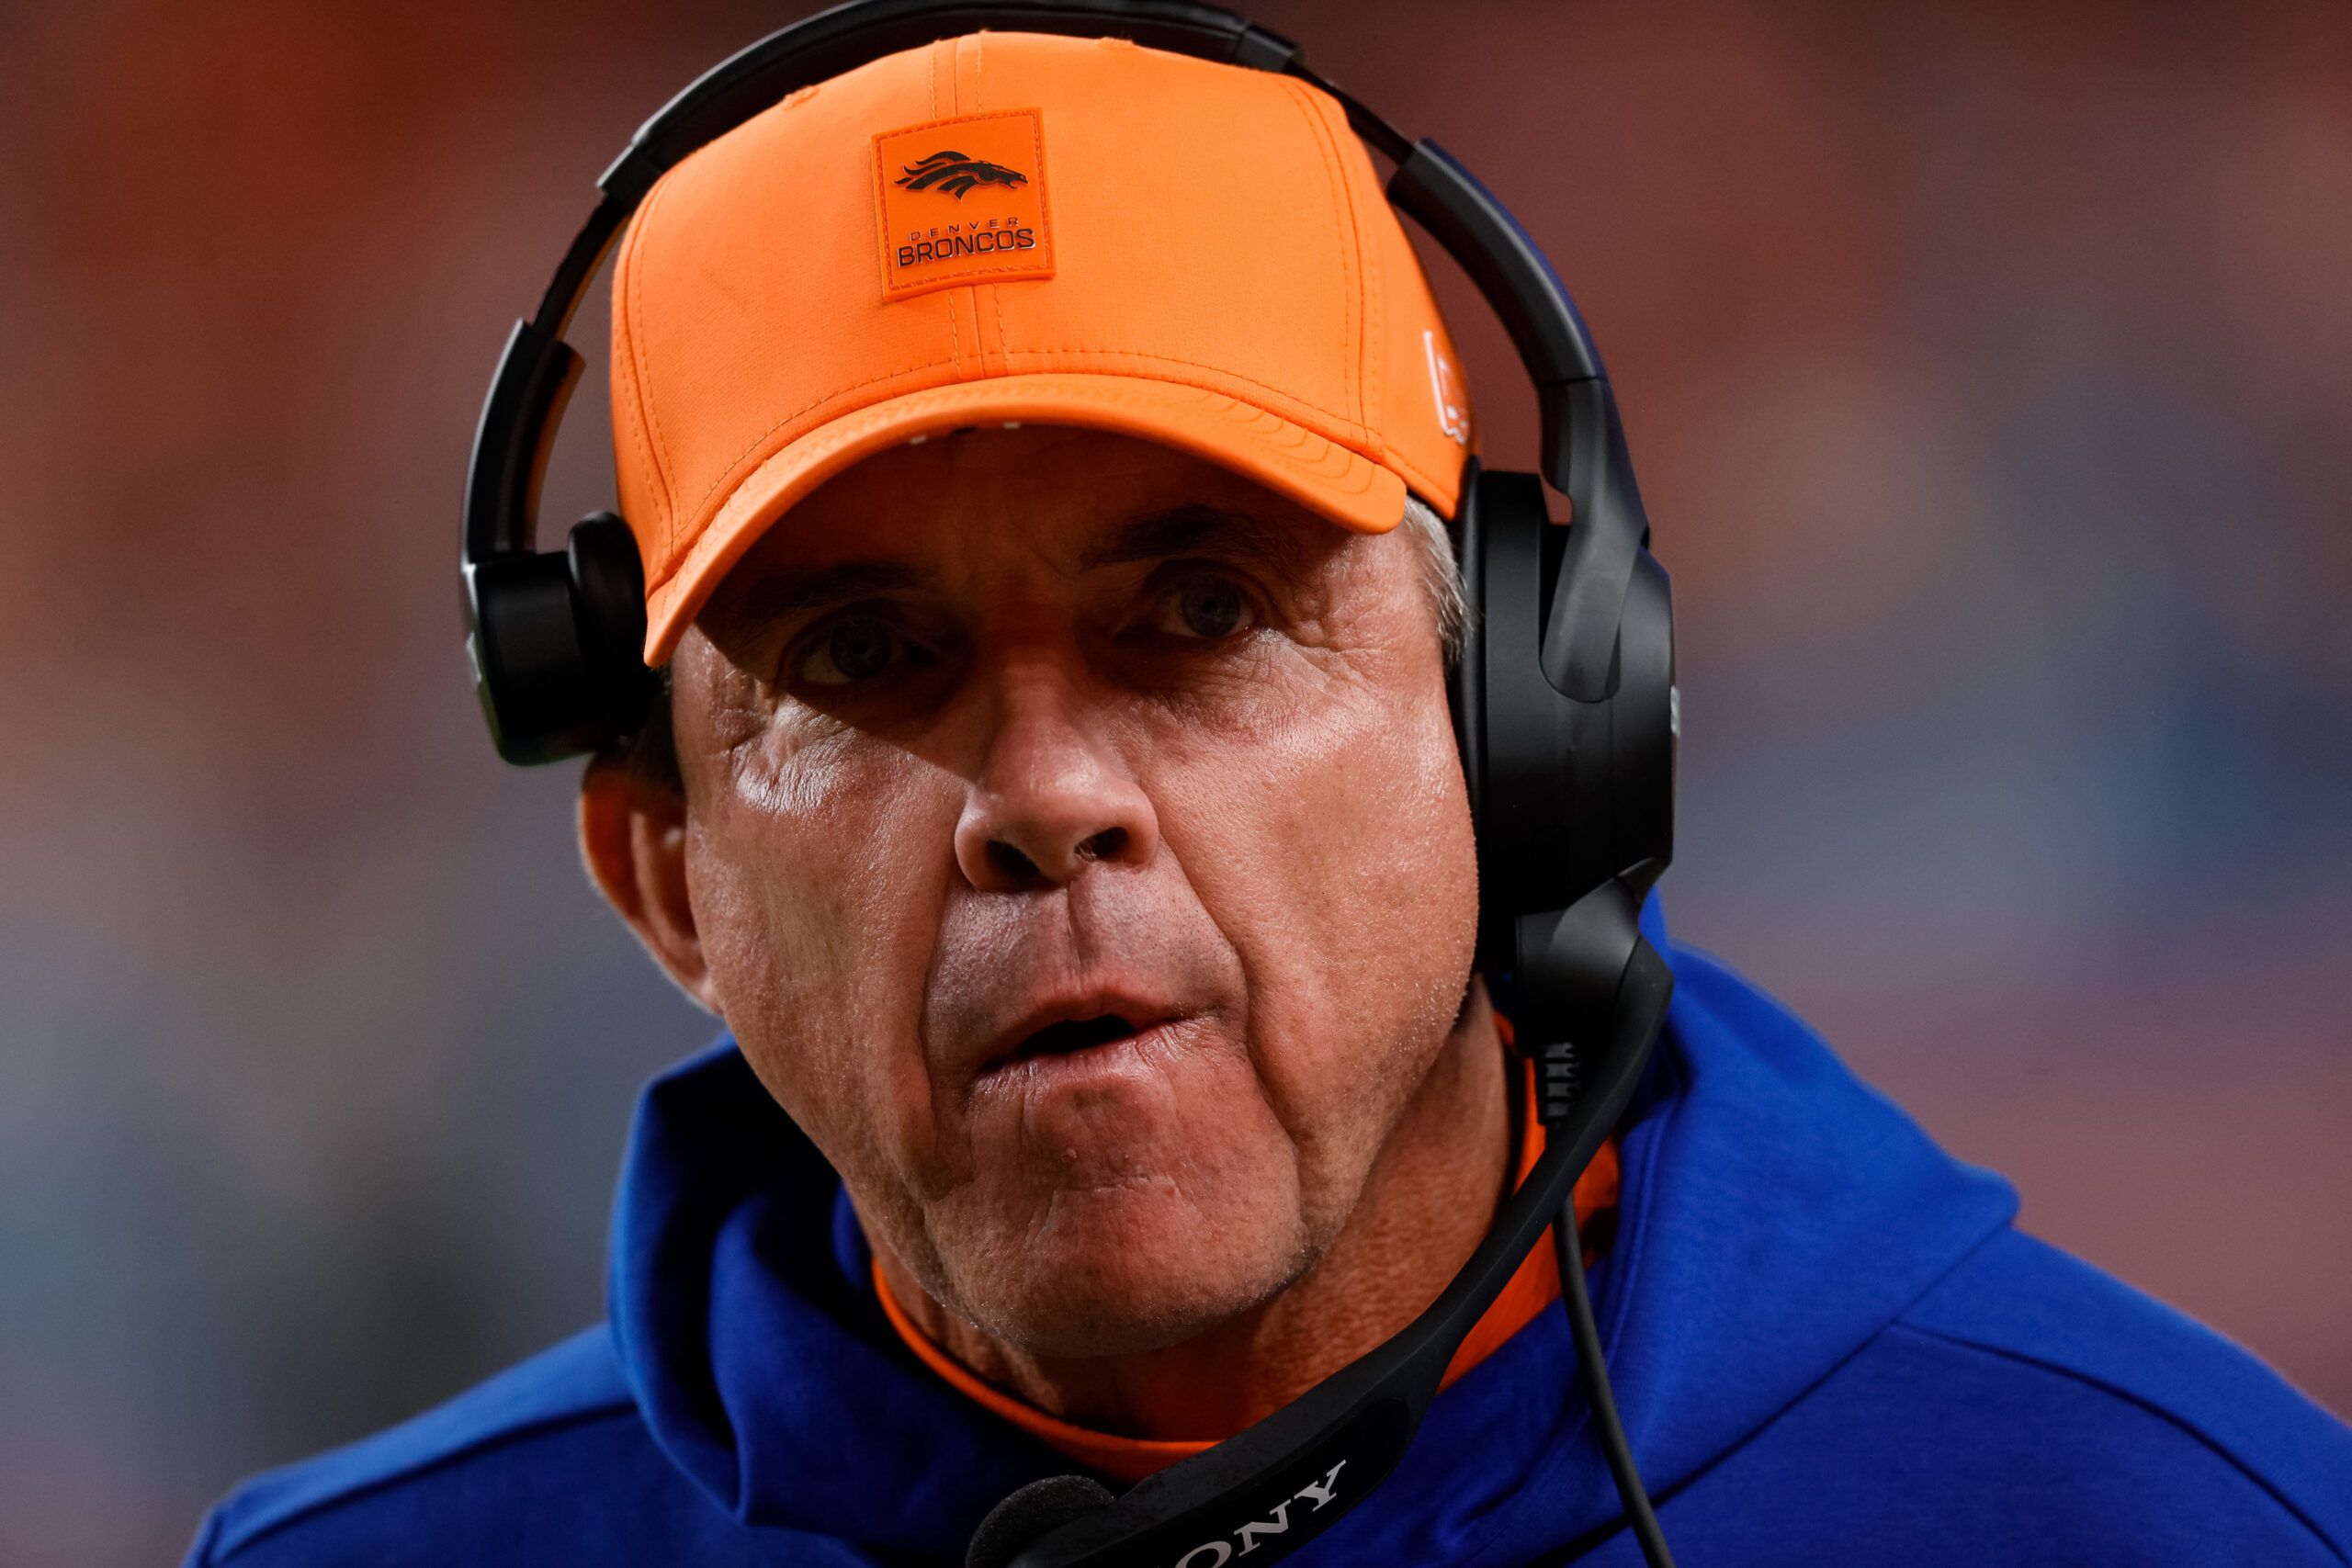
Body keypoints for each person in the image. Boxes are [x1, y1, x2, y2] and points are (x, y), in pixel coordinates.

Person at [187, 22, 2352, 1568]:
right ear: (662, 874)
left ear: (1518, 725)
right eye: (862, 659)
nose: (1041, 794)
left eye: (1201, 614)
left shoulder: (2147, 1517)